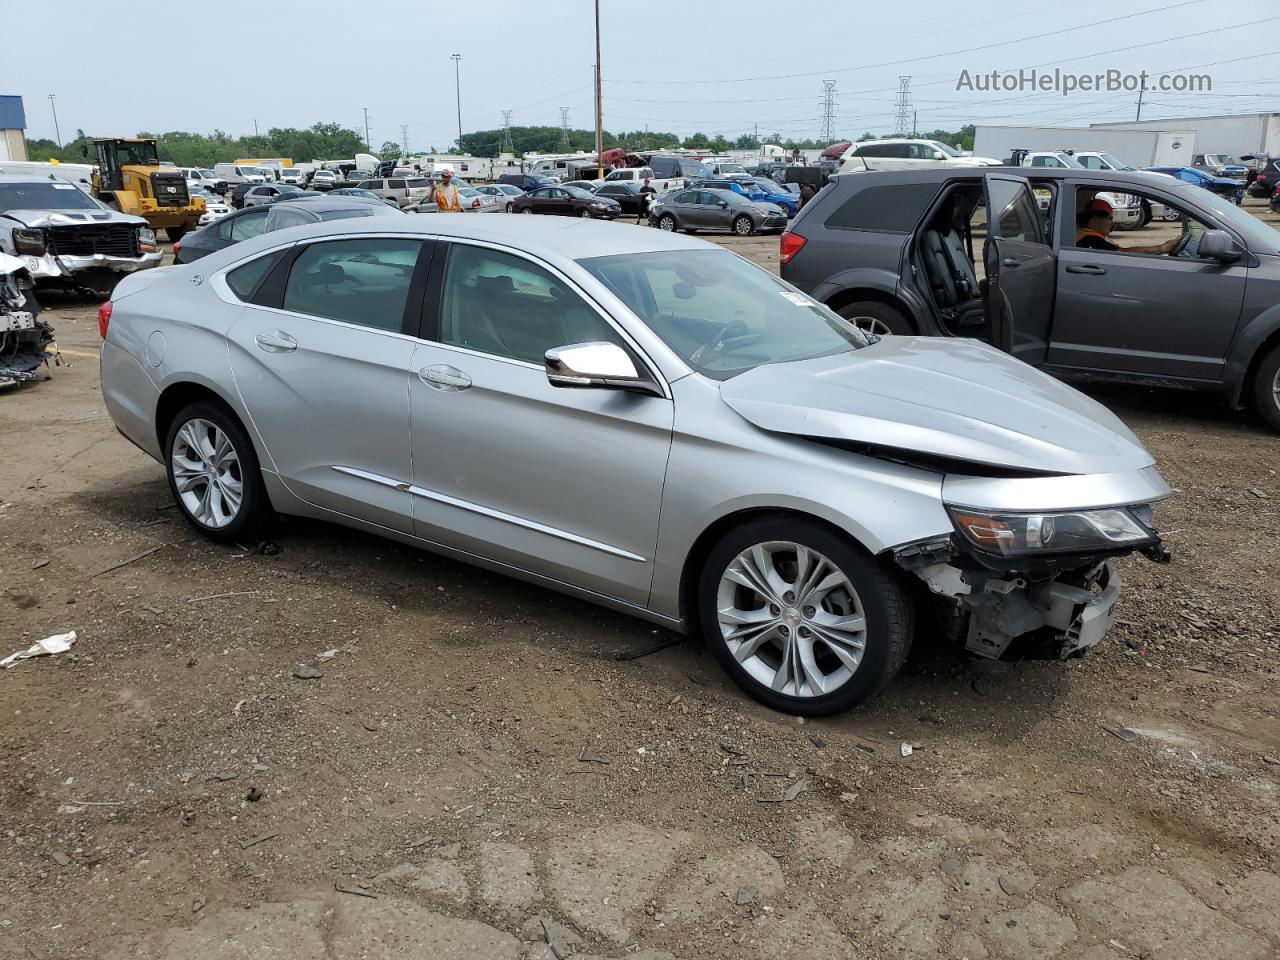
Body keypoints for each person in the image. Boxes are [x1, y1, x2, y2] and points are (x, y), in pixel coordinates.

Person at [1075, 198, 1178, 254]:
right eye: (1109, 218)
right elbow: (1123, 253)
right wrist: (1161, 248)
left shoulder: (1085, 235)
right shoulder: (1091, 239)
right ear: (1095, 218)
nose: (1112, 222)